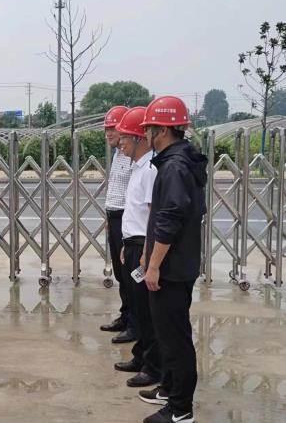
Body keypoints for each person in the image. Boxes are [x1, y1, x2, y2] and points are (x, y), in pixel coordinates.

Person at [138, 96, 207, 423]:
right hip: (176, 264)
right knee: (169, 334)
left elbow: (170, 219)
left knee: (175, 338)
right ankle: (169, 389)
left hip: (172, 269)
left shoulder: (176, 167)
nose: (146, 134)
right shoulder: (178, 161)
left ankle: (181, 410)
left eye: (149, 128)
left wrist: (154, 265)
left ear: (163, 130)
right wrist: (147, 251)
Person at [112, 107, 161, 389]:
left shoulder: (150, 170)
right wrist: (126, 244)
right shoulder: (137, 167)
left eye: (125, 137)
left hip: (143, 245)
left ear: (140, 138)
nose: (121, 143)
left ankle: (153, 367)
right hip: (133, 244)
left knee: (147, 310)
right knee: (138, 307)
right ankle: (141, 356)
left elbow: (153, 215)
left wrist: (145, 251)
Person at [99, 105, 136, 344]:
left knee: (130, 273)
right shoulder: (118, 154)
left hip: (127, 219)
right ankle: (126, 315)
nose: (108, 134)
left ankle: (135, 324)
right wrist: (108, 218)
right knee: (121, 273)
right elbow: (115, 188)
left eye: (112, 128)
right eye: (106, 129)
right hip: (115, 218)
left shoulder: (135, 156)